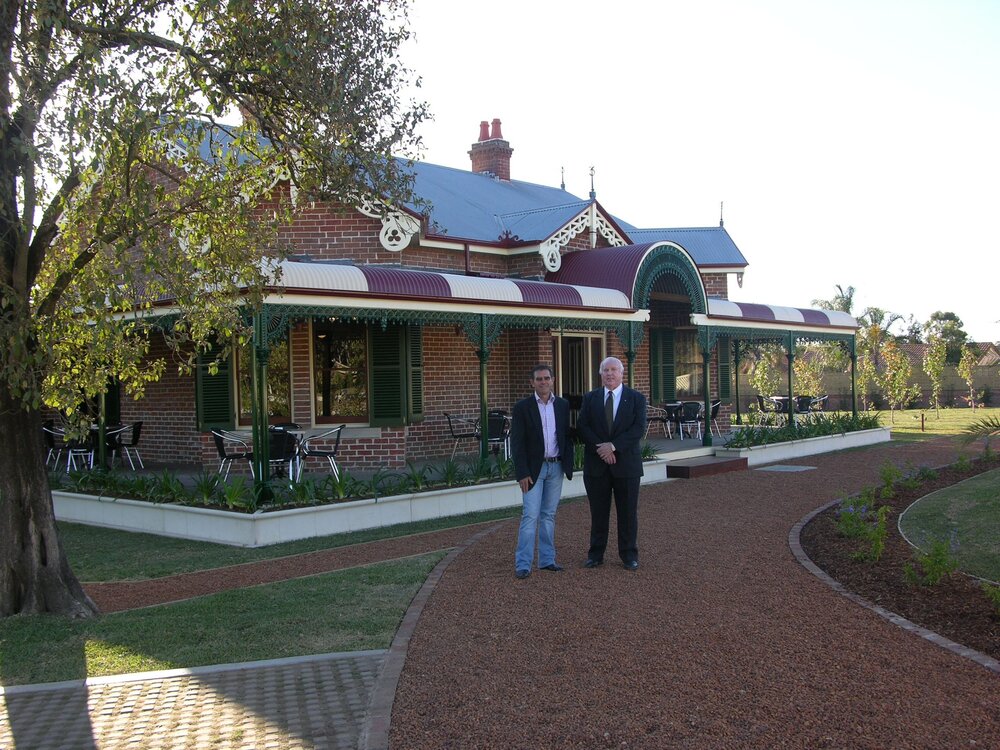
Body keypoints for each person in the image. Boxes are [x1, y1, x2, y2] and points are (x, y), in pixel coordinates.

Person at [577, 356, 647, 571]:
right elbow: (583, 427)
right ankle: (596, 554)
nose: (609, 374)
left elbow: (638, 428)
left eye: (613, 370)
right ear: (600, 374)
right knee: (598, 513)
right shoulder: (590, 398)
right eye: (605, 370)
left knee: (627, 513)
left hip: (626, 466)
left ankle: (629, 556)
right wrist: (603, 449)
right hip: (597, 466)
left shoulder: (636, 398)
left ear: (621, 373)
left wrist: (613, 446)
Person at [509, 364, 575, 579]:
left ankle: (547, 560)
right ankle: (523, 564)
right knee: (530, 515)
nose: (543, 382)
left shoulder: (563, 405)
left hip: (556, 467)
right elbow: (517, 443)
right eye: (539, 379)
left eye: (547, 378)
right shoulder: (522, 407)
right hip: (533, 471)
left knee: (549, 515)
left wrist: (568, 464)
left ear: (553, 380)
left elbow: (566, 436)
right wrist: (522, 472)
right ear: (532, 382)